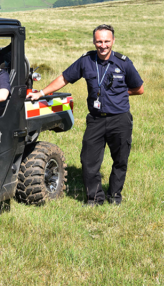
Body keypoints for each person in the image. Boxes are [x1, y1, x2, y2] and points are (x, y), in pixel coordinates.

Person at [26, 24, 143, 206]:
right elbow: (64, 78)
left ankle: (114, 197)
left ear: (113, 41)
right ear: (94, 41)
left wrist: (119, 94)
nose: (102, 45)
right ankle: (94, 198)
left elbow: (139, 88)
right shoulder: (87, 60)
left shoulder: (123, 62)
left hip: (120, 119)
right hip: (96, 119)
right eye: (99, 41)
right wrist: (42, 93)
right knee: (88, 161)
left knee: (120, 160)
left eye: (106, 41)